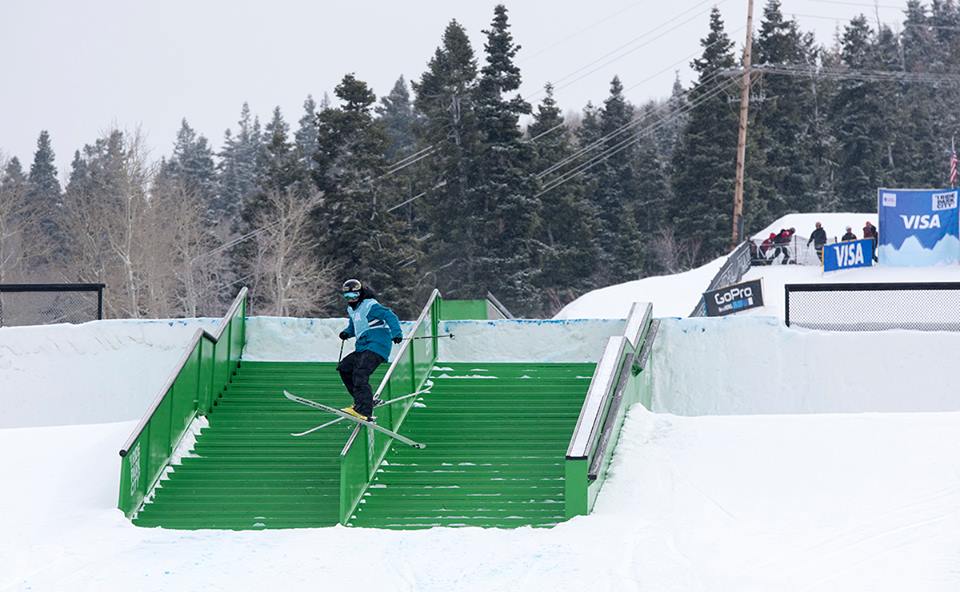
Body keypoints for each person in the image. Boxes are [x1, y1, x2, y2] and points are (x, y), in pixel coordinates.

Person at [337, 279, 404, 422]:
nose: (351, 300)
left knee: (360, 372)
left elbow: (389, 315)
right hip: (363, 346)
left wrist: (396, 333)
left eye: (354, 296)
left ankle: (364, 410)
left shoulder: (370, 305)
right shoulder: (352, 310)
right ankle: (363, 401)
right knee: (345, 368)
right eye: (347, 297)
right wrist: (347, 333)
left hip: (377, 345)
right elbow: (354, 326)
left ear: (361, 294)